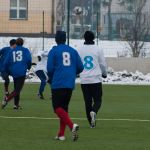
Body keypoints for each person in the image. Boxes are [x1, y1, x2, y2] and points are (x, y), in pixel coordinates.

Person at [47, 31, 83, 141]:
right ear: (65, 39)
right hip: (69, 83)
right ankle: (61, 134)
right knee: (64, 109)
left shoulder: (53, 51)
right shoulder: (73, 51)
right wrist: (72, 72)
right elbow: (81, 67)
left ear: (56, 39)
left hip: (58, 82)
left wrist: (53, 77)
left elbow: (49, 69)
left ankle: (72, 126)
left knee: (57, 108)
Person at [78, 31, 107, 128]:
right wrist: (104, 74)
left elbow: (78, 64)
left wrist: (78, 73)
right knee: (98, 100)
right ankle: (94, 111)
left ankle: (91, 124)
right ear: (94, 38)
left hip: (84, 79)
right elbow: (102, 63)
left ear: (84, 38)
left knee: (87, 102)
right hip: (95, 79)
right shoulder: (98, 49)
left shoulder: (80, 49)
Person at [1, 38, 32, 109]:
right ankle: (7, 99)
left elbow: (6, 62)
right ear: (22, 43)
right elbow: (29, 60)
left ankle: (16, 105)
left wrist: (6, 70)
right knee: (17, 90)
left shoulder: (12, 51)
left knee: (16, 88)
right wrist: (29, 67)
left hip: (14, 72)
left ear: (16, 43)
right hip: (21, 72)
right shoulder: (25, 50)